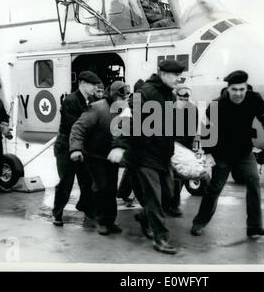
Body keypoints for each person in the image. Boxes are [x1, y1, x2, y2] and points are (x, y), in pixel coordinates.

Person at [190, 70, 264, 238]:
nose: (238, 93)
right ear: (228, 89)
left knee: (254, 181)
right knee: (214, 189)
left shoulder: (254, 99)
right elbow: (205, 129)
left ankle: (254, 228)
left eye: (242, 89)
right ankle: (198, 223)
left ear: (247, 88)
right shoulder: (217, 105)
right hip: (221, 154)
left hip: (244, 152)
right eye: (234, 90)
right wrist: (208, 154)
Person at [108, 59, 185, 254]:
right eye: (175, 75)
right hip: (144, 156)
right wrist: (119, 146)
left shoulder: (170, 96)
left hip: (163, 156)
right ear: (162, 73)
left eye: (179, 75)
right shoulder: (144, 94)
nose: (179, 79)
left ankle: (144, 217)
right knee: (155, 199)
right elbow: (127, 119)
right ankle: (161, 239)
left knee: (168, 196)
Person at [69, 81, 131, 235]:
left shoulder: (125, 111)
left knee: (111, 189)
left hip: (111, 156)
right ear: (113, 95)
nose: (124, 100)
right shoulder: (97, 108)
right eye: (121, 97)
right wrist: (76, 148)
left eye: (127, 97)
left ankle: (110, 220)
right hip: (94, 156)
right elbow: (78, 128)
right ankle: (101, 221)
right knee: (101, 187)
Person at [52, 71, 101, 226]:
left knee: (87, 181)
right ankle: (57, 213)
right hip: (66, 146)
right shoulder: (70, 101)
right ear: (82, 83)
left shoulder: (92, 100)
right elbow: (74, 125)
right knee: (66, 182)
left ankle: (88, 209)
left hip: (83, 146)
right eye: (93, 84)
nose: (95, 87)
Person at [167, 84, 199, 217]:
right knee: (172, 176)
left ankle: (173, 204)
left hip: (181, 146)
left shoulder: (191, 108)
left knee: (177, 176)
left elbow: (191, 130)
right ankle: (171, 204)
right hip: (171, 144)